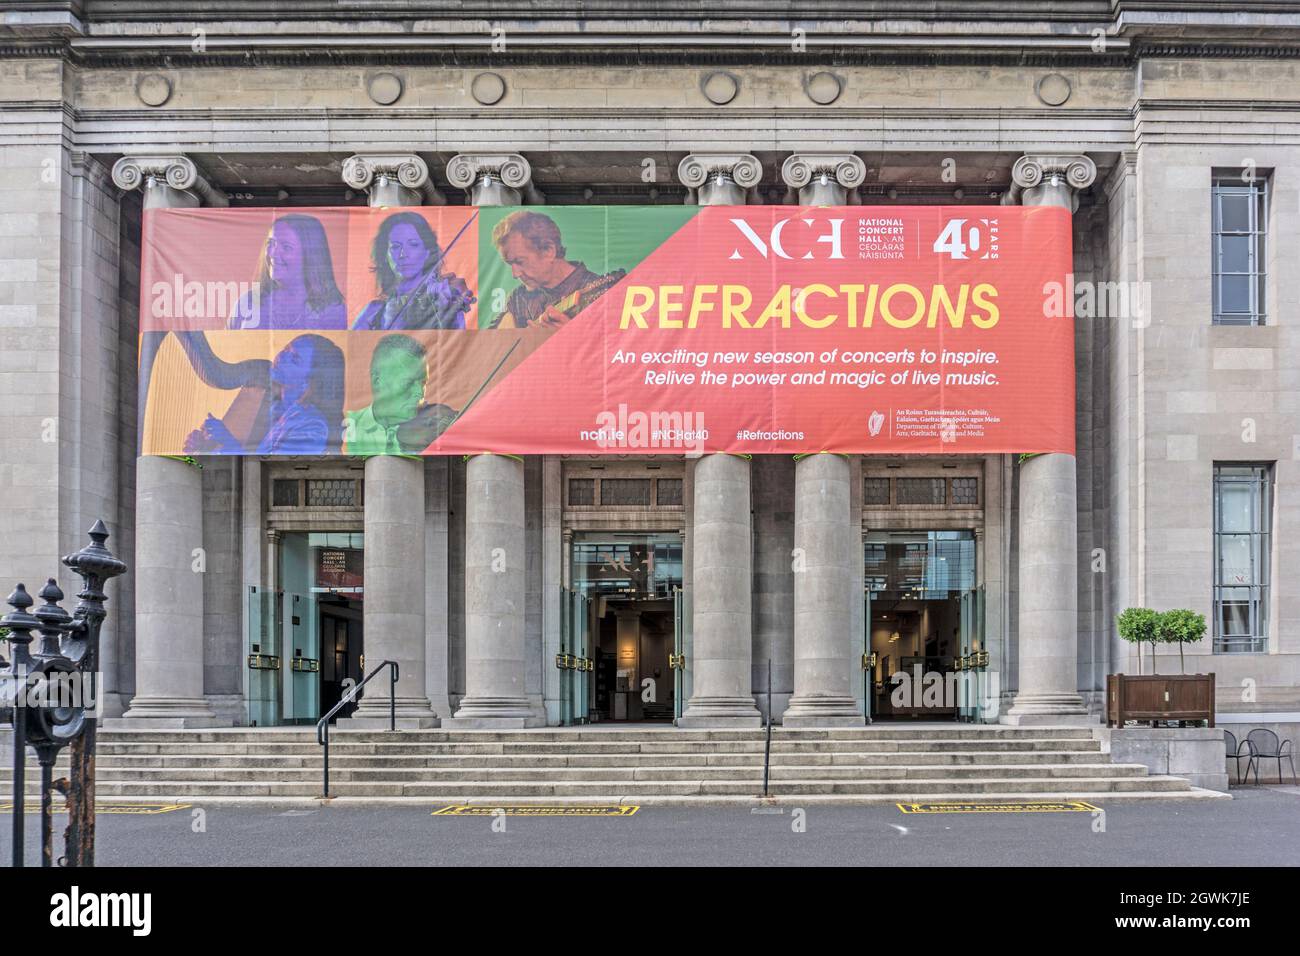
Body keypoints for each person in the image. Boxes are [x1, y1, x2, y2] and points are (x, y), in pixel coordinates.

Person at [184, 334, 346, 454]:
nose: (282, 356)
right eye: (286, 349)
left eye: (295, 358)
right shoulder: (277, 407)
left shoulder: (313, 426)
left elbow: (273, 475)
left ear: (309, 381)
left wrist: (226, 439)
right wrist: (207, 446)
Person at [487, 210, 625, 329]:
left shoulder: (601, 293)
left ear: (549, 251)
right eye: (510, 263)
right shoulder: (518, 297)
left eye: (520, 262)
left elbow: (613, 352)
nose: (515, 274)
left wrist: (571, 338)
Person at [352, 211, 476, 330]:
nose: (403, 254)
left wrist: (450, 305)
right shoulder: (374, 312)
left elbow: (456, 344)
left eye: (413, 244)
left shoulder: (442, 295)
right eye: (395, 247)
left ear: (427, 252)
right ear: (385, 255)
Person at [228, 214, 347, 330]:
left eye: (286, 247)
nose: (272, 253)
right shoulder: (248, 301)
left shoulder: (331, 310)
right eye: (271, 243)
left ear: (309, 256)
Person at [344, 334, 454, 455]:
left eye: (423, 383)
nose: (420, 392)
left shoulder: (434, 430)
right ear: (377, 381)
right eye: (408, 382)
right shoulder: (346, 424)